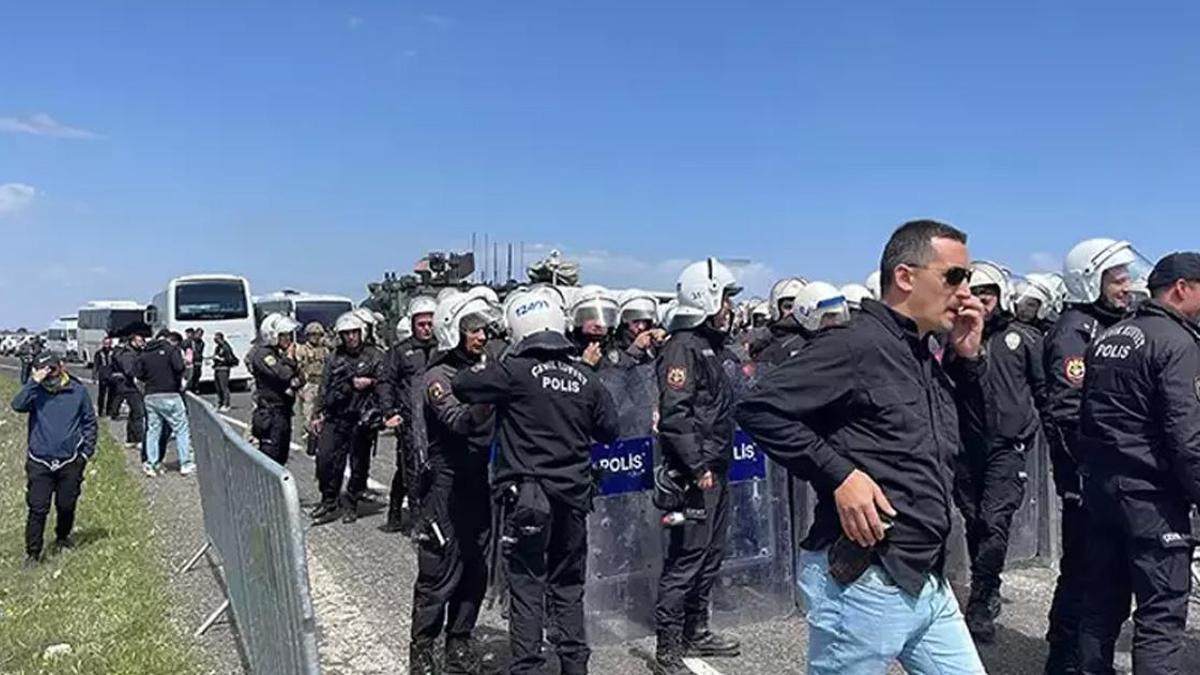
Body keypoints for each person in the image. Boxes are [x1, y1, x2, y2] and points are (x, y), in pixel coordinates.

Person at [737, 219, 988, 674]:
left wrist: (968, 361)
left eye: (968, 279)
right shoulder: (855, 344)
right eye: (954, 276)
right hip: (865, 580)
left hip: (926, 577)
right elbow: (759, 408)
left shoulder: (923, 354)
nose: (965, 292)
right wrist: (841, 476)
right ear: (906, 277)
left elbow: (965, 445)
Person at [452, 287, 620, 675]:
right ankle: (575, 666)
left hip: (530, 497)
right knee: (568, 586)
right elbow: (610, 430)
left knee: (527, 585)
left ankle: (528, 667)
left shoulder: (514, 371)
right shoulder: (584, 376)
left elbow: (462, 385)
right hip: (575, 498)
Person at [1075, 252, 1200, 674]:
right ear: (1182, 288)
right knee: (1161, 619)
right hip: (1153, 501)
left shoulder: (1110, 335)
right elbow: (1188, 437)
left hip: (1102, 493)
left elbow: (1087, 415)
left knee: (1100, 608)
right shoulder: (1178, 343)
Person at [1041, 238, 1152, 674]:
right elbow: (1067, 411)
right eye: (1117, 279)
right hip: (1086, 476)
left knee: (1103, 570)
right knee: (1082, 568)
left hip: (1109, 475)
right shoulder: (1076, 330)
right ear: (1090, 281)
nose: (1128, 287)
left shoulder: (1119, 325)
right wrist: (1083, 473)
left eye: (1128, 276)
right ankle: (1063, 655)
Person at [652, 257, 744, 675]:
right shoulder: (683, 346)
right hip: (695, 474)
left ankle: (697, 630)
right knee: (686, 557)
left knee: (711, 553)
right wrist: (695, 465)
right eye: (725, 297)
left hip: (717, 466)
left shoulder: (713, 345)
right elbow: (676, 413)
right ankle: (668, 648)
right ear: (706, 297)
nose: (729, 306)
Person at [952, 260, 1047, 643]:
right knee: (974, 520)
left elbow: (1044, 392)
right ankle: (985, 582)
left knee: (995, 521)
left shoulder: (1023, 339)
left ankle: (981, 597)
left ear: (1001, 295)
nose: (981, 301)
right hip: (963, 447)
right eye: (974, 293)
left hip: (1007, 446)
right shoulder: (950, 339)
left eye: (987, 293)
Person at [406, 292, 499, 675]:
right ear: (454, 332)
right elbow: (459, 421)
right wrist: (490, 393)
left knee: (476, 569)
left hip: (480, 481)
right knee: (438, 574)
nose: (482, 337)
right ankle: (422, 653)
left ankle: (459, 643)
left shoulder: (486, 366)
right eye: (473, 330)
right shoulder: (438, 377)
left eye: (483, 330)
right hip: (444, 486)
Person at [11, 352, 98, 567]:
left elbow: (89, 422)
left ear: (62, 366)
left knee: (66, 504)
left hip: (70, 461)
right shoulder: (35, 392)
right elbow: (17, 405)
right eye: (44, 369)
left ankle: (62, 537)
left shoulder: (77, 391)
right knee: (38, 507)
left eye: (52, 368)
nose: (49, 373)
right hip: (40, 460)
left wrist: (85, 453)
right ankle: (33, 554)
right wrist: (34, 381)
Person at [311, 311, 388, 525]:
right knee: (325, 460)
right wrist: (317, 414)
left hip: (361, 419)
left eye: (354, 332)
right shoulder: (335, 357)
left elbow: (385, 383)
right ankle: (329, 500)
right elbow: (324, 387)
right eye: (347, 334)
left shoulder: (375, 356)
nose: (351, 337)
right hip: (336, 416)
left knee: (358, 463)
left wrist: (370, 383)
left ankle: (351, 503)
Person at [380, 296, 438, 535]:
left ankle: (433, 515)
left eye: (429, 323)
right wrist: (389, 412)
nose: (426, 328)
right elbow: (386, 383)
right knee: (410, 469)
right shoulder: (401, 352)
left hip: (436, 420)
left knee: (434, 469)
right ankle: (410, 518)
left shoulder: (442, 348)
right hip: (409, 420)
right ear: (413, 324)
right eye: (421, 324)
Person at [248, 314, 303, 465]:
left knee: (281, 458)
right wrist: (290, 360)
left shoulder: (278, 355)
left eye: (289, 335)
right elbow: (285, 375)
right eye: (283, 335)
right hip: (270, 414)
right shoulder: (263, 354)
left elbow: (299, 378)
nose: (288, 339)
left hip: (283, 412)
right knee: (271, 459)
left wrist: (293, 374)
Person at [139, 330, 193, 476]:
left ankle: (152, 463)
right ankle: (185, 463)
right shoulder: (171, 350)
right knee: (181, 429)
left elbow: (139, 374)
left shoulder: (145, 352)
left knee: (153, 430)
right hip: (170, 394)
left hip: (150, 395)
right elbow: (179, 368)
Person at [749, 277, 808, 365]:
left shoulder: (817, 339)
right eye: (788, 307)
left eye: (799, 308)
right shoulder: (763, 342)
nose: (793, 312)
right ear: (776, 308)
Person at [294, 322, 331, 456]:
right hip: (308, 384)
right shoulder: (301, 350)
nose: (316, 337)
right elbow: (297, 369)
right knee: (308, 414)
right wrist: (300, 388)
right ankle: (308, 443)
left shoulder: (325, 350)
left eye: (318, 334)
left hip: (322, 384)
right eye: (313, 334)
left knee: (323, 415)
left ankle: (320, 442)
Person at [614, 290, 667, 369]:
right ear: (624, 321)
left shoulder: (653, 342)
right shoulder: (614, 344)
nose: (641, 327)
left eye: (645, 321)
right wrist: (635, 350)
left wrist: (663, 344)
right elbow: (615, 372)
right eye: (636, 321)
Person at [92, 336, 118, 418]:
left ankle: (109, 411)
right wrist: (94, 376)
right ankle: (100, 411)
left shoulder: (114, 352)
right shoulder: (99, 353)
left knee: (112, 394)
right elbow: (96, 365)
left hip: (112, 376)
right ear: (103, 343)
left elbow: (117, 364)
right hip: (103, 376)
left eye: (109, 343)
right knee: (101, 395)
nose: (107, 345)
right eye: (105, 343)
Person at [211, 331, 238, 411]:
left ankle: (226, 404)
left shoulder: (226, 347)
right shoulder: (218, 347)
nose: (215, 340)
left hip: (224, 368)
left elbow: (229, 358)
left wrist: (221, 359)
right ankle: (220, 403)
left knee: (224, 386)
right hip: (217, 368)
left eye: (217, 338)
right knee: (218, 387)